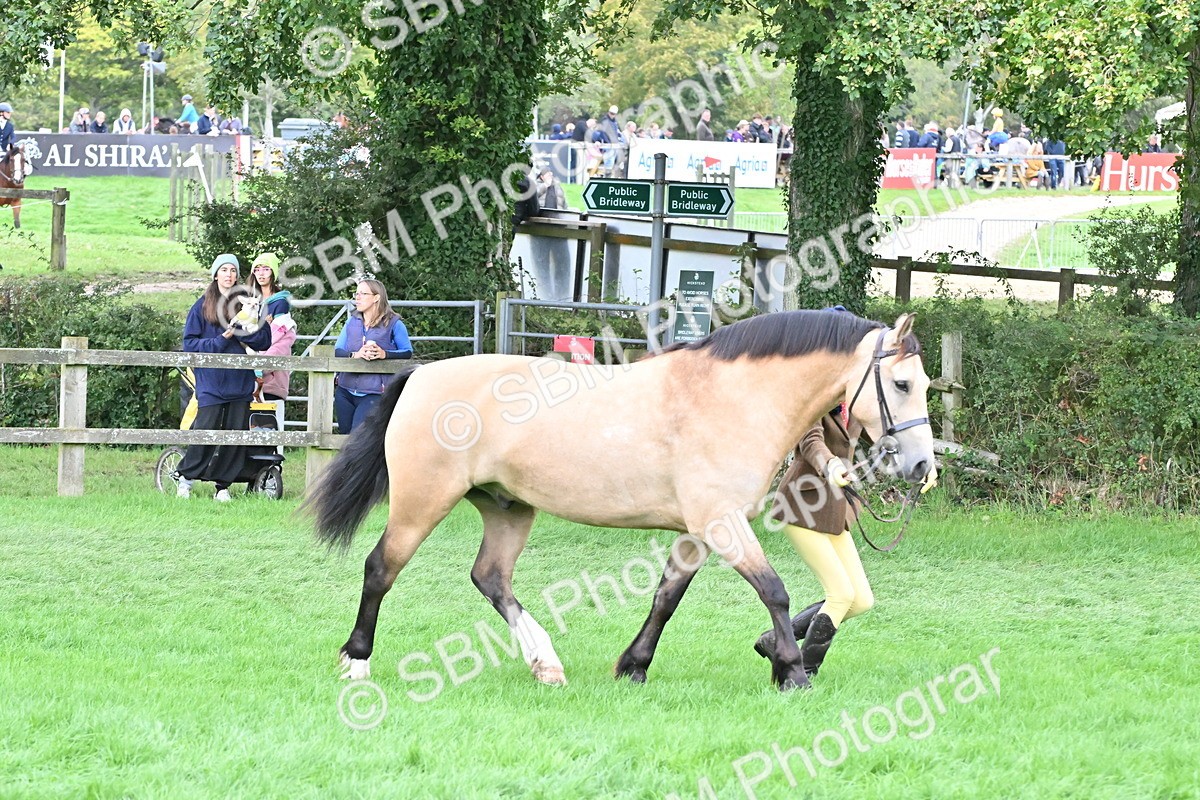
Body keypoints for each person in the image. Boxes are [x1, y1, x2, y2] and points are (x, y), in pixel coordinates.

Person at [176, 254, 272, 501]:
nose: (229, 275)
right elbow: (191, 345)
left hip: (239, 381)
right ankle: (186, 478)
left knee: (235, 434)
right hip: (211, 381)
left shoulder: (248, 302)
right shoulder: (201, 306)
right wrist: (223, 339)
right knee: (205, 429)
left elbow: (264, 341)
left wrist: (245, 330)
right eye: (224, 270)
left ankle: (223, 486)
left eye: (232, 270)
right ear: (215, 275)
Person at [334, 279, 413, 435]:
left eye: (363, 294)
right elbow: (338, 350)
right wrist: (355, 355)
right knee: (344, 436)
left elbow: (407, 352)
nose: (358, 297)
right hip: (345, 390)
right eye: (356, 294)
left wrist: (384, 354)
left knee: (357, 438)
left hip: (374, 393)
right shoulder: (351, 322)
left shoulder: (394, 323)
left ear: (376, 297)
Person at [244, 252, 297, 421]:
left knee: (268, 424)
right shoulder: (248, 300)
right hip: (248, 371)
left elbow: (279, 335)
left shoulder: (280, 301)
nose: (261, 273)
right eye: (257, 269)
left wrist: (261, 364)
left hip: (268, 373)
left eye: (266, 269)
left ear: (273, 273)